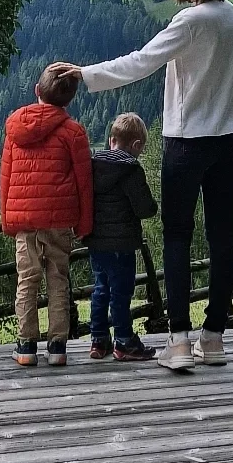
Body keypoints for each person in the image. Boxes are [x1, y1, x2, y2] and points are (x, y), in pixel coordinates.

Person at [57, 0, 233, 372]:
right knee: (223, 235)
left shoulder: (190, 22)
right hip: (230, 141)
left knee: (177, 236)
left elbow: (140, 63)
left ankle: (180, 340)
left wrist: (84, 74)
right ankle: (215, 336)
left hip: (187, 144)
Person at [0, 62, 93, 369]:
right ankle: (57, 347)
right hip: (59, 220)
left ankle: (26, 346)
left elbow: (6, 176)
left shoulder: (15, 128)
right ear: (69, 99)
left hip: (25, 222)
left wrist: (7, 218)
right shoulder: (73, 133)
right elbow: (84, 181)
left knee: (27, 281)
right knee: (58, 280)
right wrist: (85, 221)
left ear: (37, 90)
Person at [86, 112, 159, 363]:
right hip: (122, 243)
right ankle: (124, 341)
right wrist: (154, 207)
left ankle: (98, 339)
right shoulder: (130, 170)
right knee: (121, 292)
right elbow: (144, 208)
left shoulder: (92, 166)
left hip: (96, 242)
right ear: (136, 145)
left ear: (110, 140)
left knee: (100, 289)